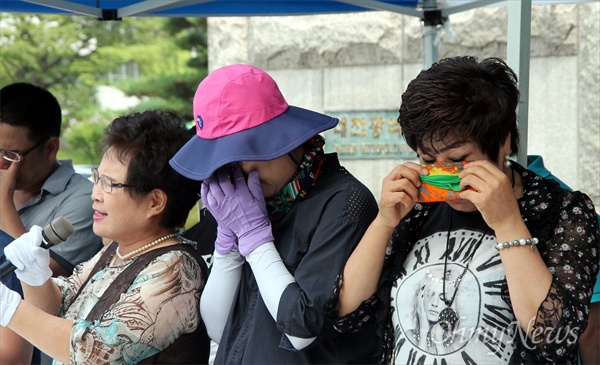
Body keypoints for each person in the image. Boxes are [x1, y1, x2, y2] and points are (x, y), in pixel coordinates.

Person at [326, 56, 600, 364]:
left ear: (503, 142)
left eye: (459, 160)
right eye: (428, 160)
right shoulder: (416, 211)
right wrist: (383, 223)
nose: (445, 174)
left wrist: (508, 222)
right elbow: (346, 314)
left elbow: (550, 336)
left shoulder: (561, 210)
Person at [169, 64, 380, 363]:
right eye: (227, 163)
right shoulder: (257, 205)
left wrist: (256, 242)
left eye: (247, 155)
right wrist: (228, 244)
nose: (240, 172)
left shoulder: (345, 202)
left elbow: (302, 329)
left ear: (288, 139)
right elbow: (219, 328)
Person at [0, 110, 209, 364]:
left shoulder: (177, 269)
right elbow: (57, 307)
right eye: (97, 178)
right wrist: (34, 276)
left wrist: (8, 307)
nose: (95, 193)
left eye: (109, 184)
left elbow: (93, 351)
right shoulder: (119, 249)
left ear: (155, 202)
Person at [0, 82, 102, 364]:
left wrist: (3, 204)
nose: (0, 165)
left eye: (11, 156)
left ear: (50, 147)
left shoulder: (83, 202)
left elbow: (37, 286)